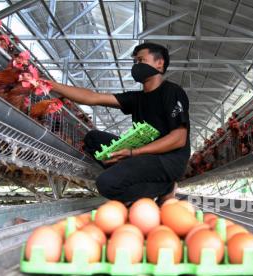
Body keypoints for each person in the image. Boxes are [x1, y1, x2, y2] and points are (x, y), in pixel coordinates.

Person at [48, 43, 190, 204]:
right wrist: (52, 85)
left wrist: (133, 153)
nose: (137, 65)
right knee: (93, 138)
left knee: (106, 184)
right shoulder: (136, 98)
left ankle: (165, 187)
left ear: (159, 63)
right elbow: (93, 98)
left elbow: (179, 138)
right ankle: (136, 181)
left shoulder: (171, 92)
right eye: (135, 62)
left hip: (168, 161)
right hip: (143, 156)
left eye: (141, 60)